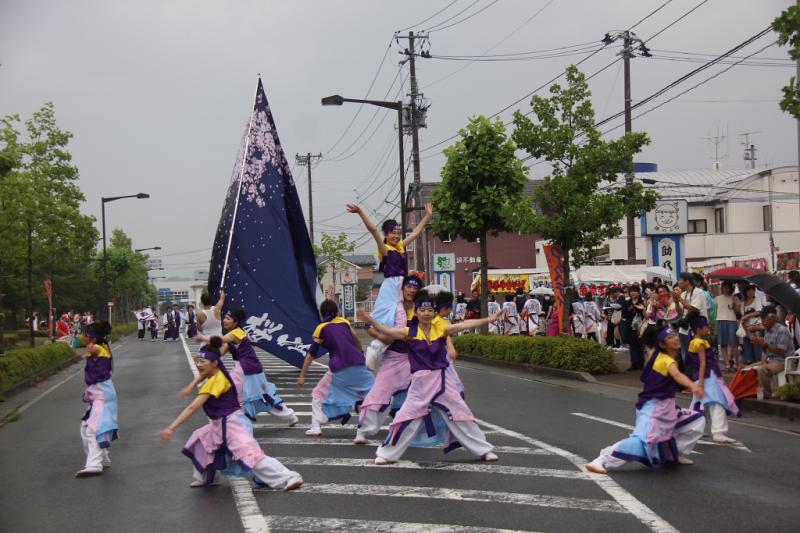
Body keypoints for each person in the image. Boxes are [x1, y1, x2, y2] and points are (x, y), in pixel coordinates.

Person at [358, 291, 502, 465]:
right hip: (420, 383)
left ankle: (484, 450)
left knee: (461, 414)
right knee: (406, 418)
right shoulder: (409, 331)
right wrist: (370, 320)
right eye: (422, 310)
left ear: (434, 312)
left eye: (429, 310)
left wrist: (489, 320)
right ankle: (386, 453)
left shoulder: (441, 328)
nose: (426, 313)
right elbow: (387, 330)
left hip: (442, 381)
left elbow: (465, 324)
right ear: (416, 312)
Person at [158, 337, 303, 490]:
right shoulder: (217, 371)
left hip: (233, 424)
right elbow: (203, 373)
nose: (199, 364)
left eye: (202, 361)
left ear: (214, 363)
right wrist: (190, 386)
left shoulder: (215, 382)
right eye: (198, 361)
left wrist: (171, 428)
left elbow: (192, 408)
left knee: (249, 454)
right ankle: (206, 477)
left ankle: (289, 476)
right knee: (200, 440)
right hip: (221, 424)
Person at [585, 326, 705, 475]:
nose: (676, 338)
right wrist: (694, 386)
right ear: (662, 344)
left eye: (675, 335)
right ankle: (602, 459)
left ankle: (671, 455)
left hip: (668, 409)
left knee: (696, 420)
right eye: (670, 337)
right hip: (653, 409)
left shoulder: (659, 356)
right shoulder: (667, 361)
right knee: (641, 441)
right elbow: (677, 376)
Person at [347, 202, 433, 366]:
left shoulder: (400, 246)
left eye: (398, 233)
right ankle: (374, 348)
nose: (396, 236)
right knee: (386, 320)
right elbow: (373, 230)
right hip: (390, 286)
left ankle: (381, 349)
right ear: (386, 234)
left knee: (400, 322)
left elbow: (415, 234)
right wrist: (360, 211)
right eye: (393, 233)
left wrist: (427, 216)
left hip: (402, 284)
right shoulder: (384, 247)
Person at [194, 309, 298, 425]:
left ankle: (238, 426)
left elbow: (221, 340)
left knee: (238, 395)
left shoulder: (237, 333)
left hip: (247, 369)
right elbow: (220, 352)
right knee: (262, 397)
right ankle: (290, 416)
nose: (225, 320)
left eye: (228, 319)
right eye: (225, 318)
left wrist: (203, 338)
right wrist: (203, 357)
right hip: (247, 368)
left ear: (235, 322)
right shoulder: (233, 335)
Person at [357, 275, 421, 443]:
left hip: (414, 359)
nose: (412, 290)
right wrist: (382, 336)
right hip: (392, 358)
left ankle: (407, 430)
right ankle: (363, 430)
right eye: (409, 286)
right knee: (379, 393)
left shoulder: (420, 309)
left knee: (417, 396)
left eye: (415, 288)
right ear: (402, 288)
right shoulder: (391, 306)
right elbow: (369, 326)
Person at [298, 300, 375, 437]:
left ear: (322, 313)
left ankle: (316, 427)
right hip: (358, 363)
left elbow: (311, 354)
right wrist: (360, 354)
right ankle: (362, 430)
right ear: (337, 312)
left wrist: (302, 375)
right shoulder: (344, 322)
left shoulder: (321, 327)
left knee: (317, 394)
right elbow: (356, 338)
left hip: (338, 368)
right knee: (370, 395)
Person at [686, 316, 740, 443]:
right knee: (717, 403)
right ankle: (718, 432)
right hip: (707, 376)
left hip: (700, 376)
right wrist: (702, 382)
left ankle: (692, 428)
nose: (708, 329)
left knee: (698, 403)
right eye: (706, 327)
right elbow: (703, 363)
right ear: (699, 329)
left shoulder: (693, 341)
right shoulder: (700, 343)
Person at [76, 321, 118, 477]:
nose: (83, 337)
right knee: (85, 427)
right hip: (99, 393)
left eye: (85, 334)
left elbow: (95, 352)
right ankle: (103, 458)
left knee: (93, 429)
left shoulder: (96, 348)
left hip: (102, 394)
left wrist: (92, 348)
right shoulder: (102, 346)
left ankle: (94, 464)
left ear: (92, 337)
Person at [752, 306, 795, 399]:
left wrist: (766, 344)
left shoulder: (782, 330)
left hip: (782, 360)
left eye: (764, 319)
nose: (762, 322)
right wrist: (760, 344)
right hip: (771, 359)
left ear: (772, 318)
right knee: (748, 369)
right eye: (762, 319)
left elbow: (781, 350)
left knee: (762, 370)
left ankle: (767, 394)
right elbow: (767, 350)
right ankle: (753, 392)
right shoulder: (767, 330)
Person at [673, 273, 708, 376]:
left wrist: (679, 298)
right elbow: (679, 313)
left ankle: (698, 378)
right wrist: (676, 302)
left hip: (697, 328)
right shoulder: (683, 294)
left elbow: (694, 309)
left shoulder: (698, 292)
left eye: (680, 280)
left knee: (696, 354)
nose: (679, 282)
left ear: (687, 281)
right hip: (685, 328)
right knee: (685, 354)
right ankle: (689, 378)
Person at [714, 281, 739, 372]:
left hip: (732, 320)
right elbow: (715, 311)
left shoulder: (734, 297)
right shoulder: (717, 298)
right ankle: (727, 364)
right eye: (724, 286)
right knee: (723, 343)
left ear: (731, 288)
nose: (726, 288)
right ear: (722, 288)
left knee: (734, 343)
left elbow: (738, 311)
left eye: (728, 287)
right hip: (720, 320)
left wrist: (735, 304)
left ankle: (735, 362)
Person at [623, 286, 646, 371]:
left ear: (639, 293)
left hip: (640, 326)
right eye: (631, 291)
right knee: (632, 345)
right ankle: (634, 364)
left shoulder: (643, 302)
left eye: (635, 291)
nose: (633, 293)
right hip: (630, 326)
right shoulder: (627, 302)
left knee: (640, 345)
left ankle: (641, 364)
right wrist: (631, 309)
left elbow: (645, 314)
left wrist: (640, 309)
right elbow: (623, 314)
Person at [738, 285, 763, 367]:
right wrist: (745, 324)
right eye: (749, 290)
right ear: (745, 292)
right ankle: (750, 363)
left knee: (756, 345)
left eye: (753, 290)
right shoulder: (743, 303)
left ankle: (758, 362)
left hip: (756, 327)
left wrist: (747, 316)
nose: (751, 292)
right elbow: (742, 316)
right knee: (747, 345)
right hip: (746, 327)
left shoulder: (757, 300)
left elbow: (759, 312)